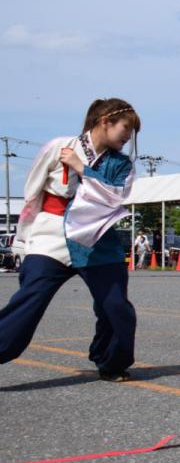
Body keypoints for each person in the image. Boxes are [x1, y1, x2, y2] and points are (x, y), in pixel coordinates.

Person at [0, 98, 142, 381]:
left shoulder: (122, 164)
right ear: (105, 122)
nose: (129, 136)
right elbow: (33, 191)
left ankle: (111, 362)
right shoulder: (58, 147)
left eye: (132, 132)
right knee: (29, 299)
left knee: (114, 306)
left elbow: (116, 197)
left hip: (97, 238)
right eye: (126, 128)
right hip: (50, 234)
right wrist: (23, 239)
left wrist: (82, 168)